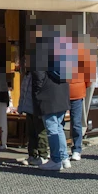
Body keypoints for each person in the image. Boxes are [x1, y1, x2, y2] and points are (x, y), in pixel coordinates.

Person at [29, 22, 73, 172]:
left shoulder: (40, 50)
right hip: (62, 92)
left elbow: (38, 75)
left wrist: (37, 93)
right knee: (58, 127)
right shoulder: (61, 49)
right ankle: (64, 157)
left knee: (52, 128)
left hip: (48, 94)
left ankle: (56, 159)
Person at [67, 33, 97, 162]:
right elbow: (89, 75)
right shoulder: (83, 52)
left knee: (59, 122)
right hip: (78, 90)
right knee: (76, 121)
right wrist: (84, 85)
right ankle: (76, 149)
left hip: (63, 90)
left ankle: (63, 150)